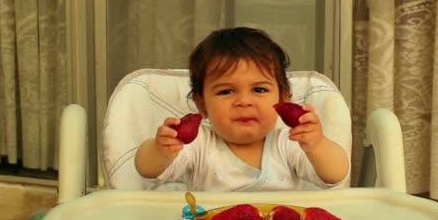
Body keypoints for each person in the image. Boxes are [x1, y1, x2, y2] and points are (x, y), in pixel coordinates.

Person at [134, 27, 349, 191]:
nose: (244, 101)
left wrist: (317, 144)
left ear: (284, 98)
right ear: (202, 104)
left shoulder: (289, 143)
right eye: (226, 92)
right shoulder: (199, 144)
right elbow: (147, 169)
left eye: (259, 89)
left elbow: (336, 175)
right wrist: (160, 150)